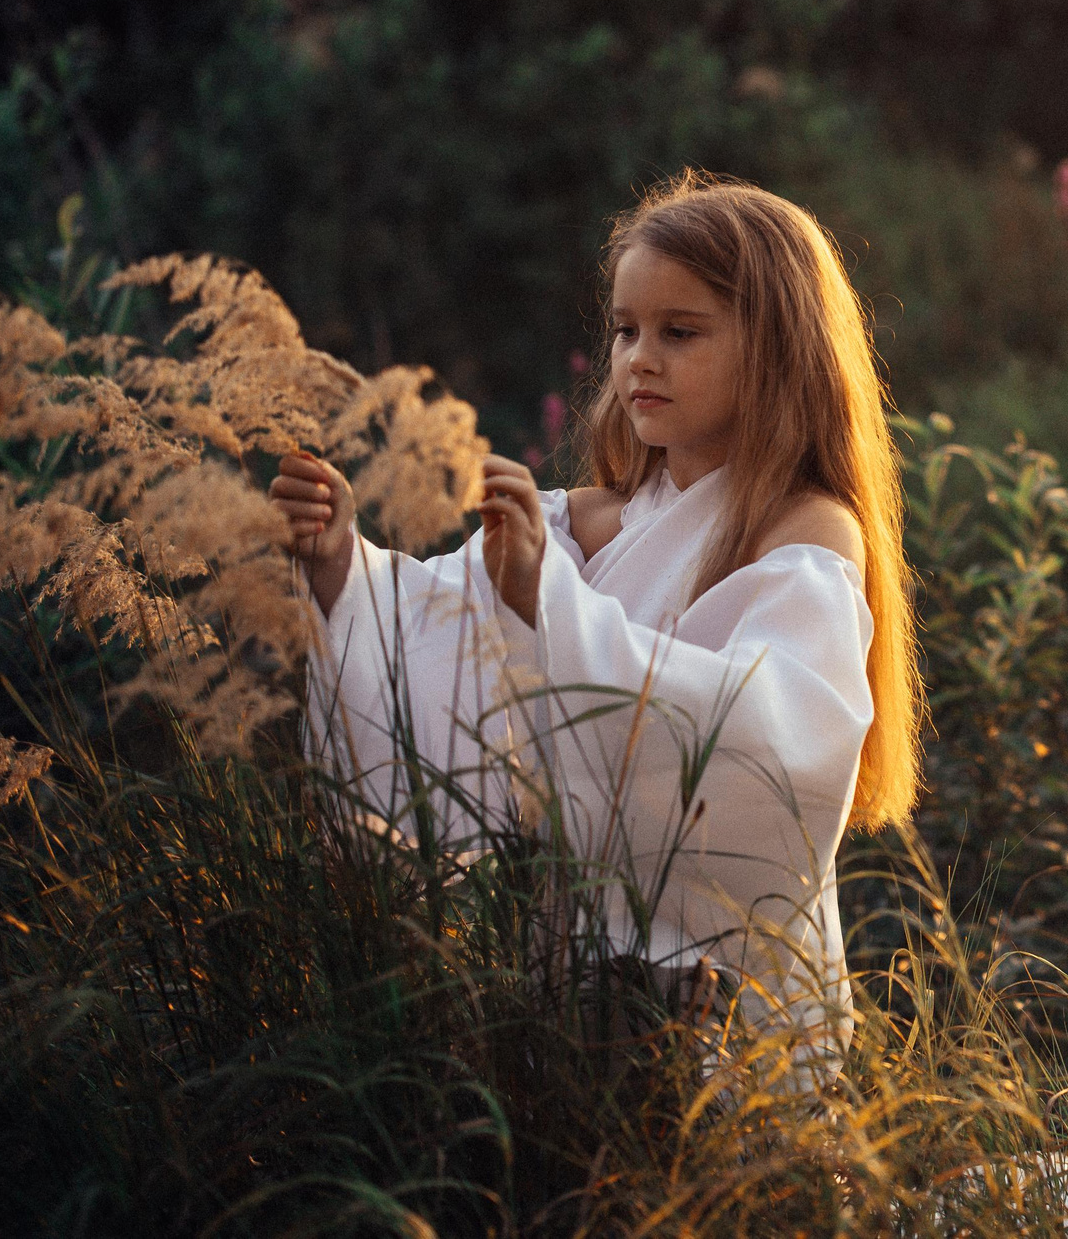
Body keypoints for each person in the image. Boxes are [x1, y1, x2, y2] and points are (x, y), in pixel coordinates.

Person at [268, 171, 921, 1078]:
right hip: (566, 975)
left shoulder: (805, 528)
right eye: (625, 330)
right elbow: (429, 647)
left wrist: (548, 605)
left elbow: (768, 740)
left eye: (679, 332)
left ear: (776, 348)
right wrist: (340, 562)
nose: (639, 359)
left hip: (727, 999)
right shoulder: (583, 522)